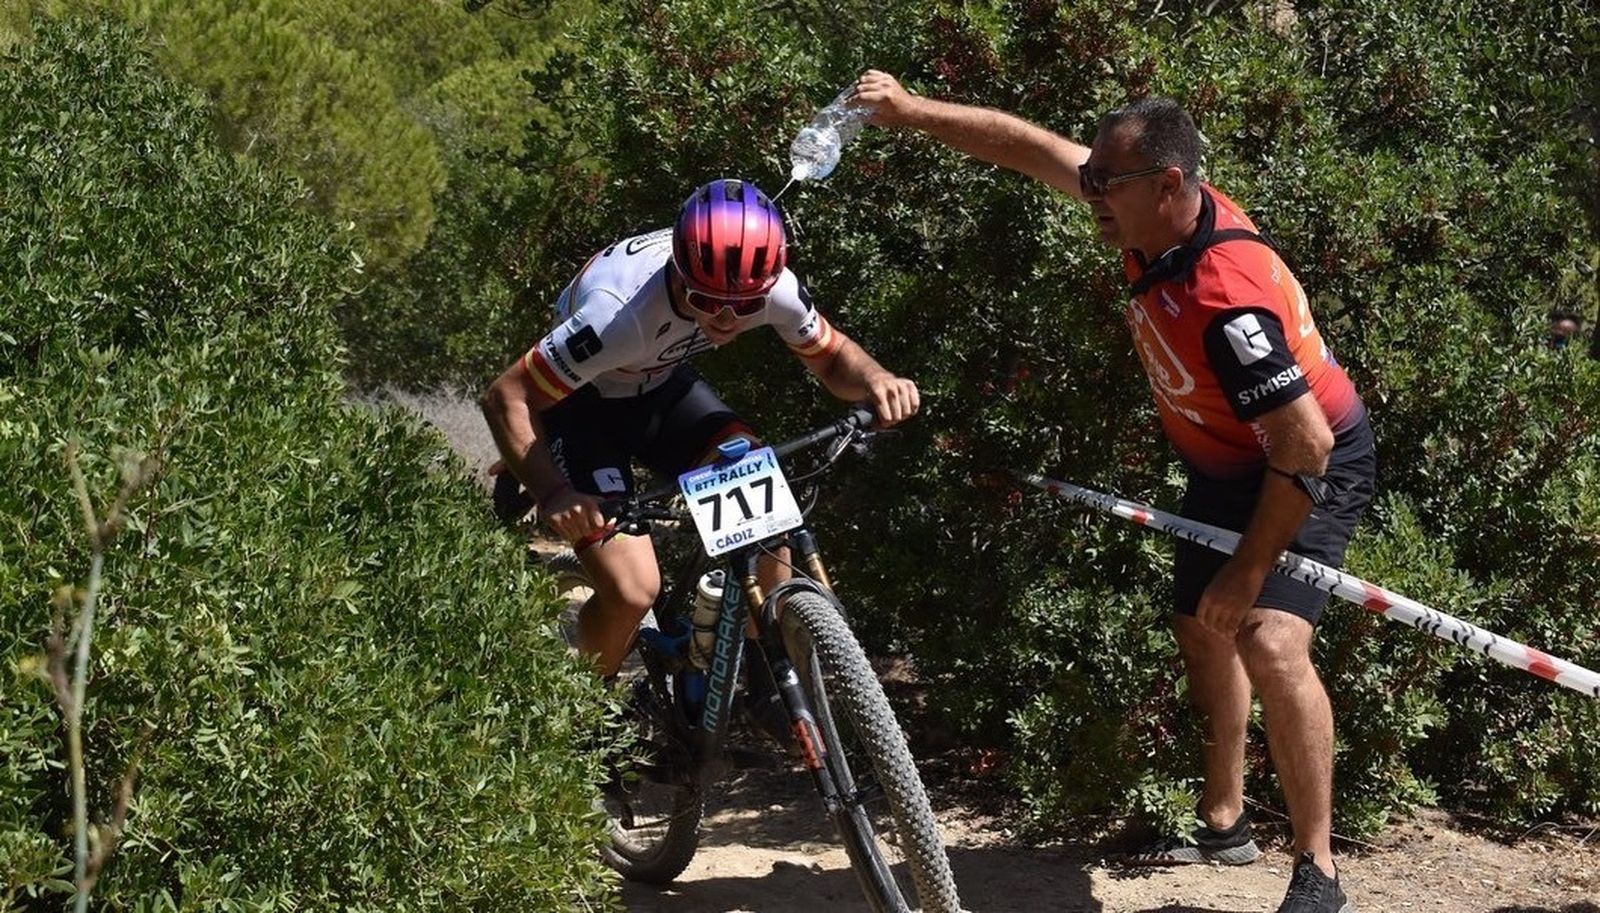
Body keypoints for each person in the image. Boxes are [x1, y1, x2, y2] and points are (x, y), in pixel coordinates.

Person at [854, 71, 1374, 913]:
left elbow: (1305, 444)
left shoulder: (1225, 297)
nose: (1089, 192)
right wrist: (911, 112)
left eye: (1105, 183)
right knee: (1201, 627)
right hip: (1227, 463)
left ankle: (1318, 869)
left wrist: (1249, 571)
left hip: (1306, 465)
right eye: (1090, 178)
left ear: (1169, 185)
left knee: (1270, 640)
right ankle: (1225, 819)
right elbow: (1023, 145)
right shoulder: (1147, 211)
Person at [480, 177, 919, 689]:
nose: (728, 320)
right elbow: (506, 396)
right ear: (676, 269)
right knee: (633, 589)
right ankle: (577, 714)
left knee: (765, 507)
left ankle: (764, 680)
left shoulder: (770, 284)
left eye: (746, 305)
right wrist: (553, 490)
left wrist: (877, 379)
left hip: (661, 389)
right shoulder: (615, 315)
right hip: (582, 410)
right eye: (705, 301)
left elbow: (832, 357)